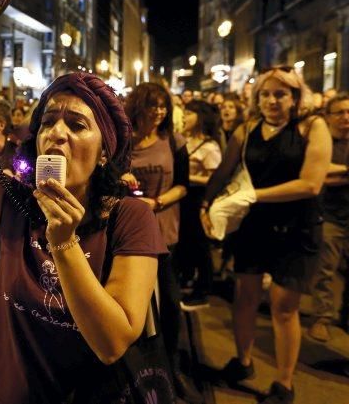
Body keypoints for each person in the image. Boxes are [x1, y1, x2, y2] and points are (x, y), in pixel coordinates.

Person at [0, 13, 166, 403]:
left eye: (77, 126)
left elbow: (112, 341)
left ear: (104, 153)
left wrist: (63, 244)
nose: (57, 134)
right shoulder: (15, 202)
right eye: (49, 121)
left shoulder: (131, 218)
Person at [202, 67, 331, 404]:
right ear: (256, 98)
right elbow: (224, 170)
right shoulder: (246, 130)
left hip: (298, 227)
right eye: (265, 94)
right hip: (253, 227)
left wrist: (254, 195)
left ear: (295, 97)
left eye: (281, 94)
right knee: (244, 296)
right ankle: (242, 362)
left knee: (283, 308)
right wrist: (205, 204)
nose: (272, 100)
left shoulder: (311, 127)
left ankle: (284, 384)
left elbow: (311, 183)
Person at [122, 82, 199, 403]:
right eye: (152, 105)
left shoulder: (173, 141)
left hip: (164, 231)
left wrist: (157, 202)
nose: (159, 112)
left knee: (169, 300)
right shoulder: (122, 141)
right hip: (129, 235)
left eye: (163, 106)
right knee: (129, 302)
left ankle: (172, 366)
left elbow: (184, 185)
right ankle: (132, 367)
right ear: (138, 107)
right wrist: (119, 180)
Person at [308, 92, 349, 342]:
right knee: (325, 270)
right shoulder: (323, 143)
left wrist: (337, 174)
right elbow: (319, 173)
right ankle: (321, 318)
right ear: (328, 116)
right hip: (329, 215)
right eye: (340, 112)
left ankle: (345, 316)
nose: (346, 117)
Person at [178, 100, 222, 310]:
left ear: (200, 117)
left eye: (189, 113)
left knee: (200, 244)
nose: (184, 117)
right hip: (184, 199)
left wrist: (190, 177)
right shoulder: (184, 140)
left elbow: (216, 179)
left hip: (198, 199)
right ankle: (187, 277)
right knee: (186, 241)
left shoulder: (210, 146)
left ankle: (204, 288)